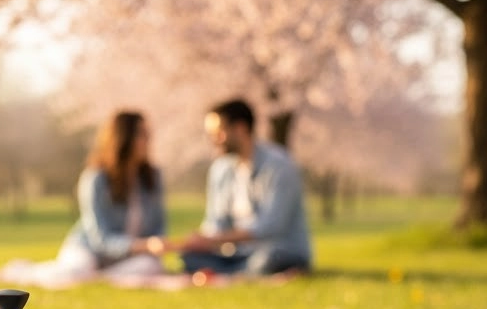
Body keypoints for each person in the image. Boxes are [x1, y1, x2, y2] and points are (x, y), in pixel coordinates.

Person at [153, 98, 312, 277]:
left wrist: (216, 239)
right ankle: (239, 273)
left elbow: (271, 226)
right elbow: (216, 223)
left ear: (240, 128)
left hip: (276, 250)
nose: (214, 140)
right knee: (191, 258)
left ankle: (234, 272)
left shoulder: (279, 166)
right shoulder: (221, 169)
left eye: (218, 133)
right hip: (237, 253)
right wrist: (199, 241)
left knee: (266, 261)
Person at [52, 110, 167, 279]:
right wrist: (141, 246)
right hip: (89, 250)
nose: (148, 140)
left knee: (150, 266)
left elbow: (158, 227)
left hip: (127, 258)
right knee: (77, 271)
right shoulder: (96, 178)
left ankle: (100, 278)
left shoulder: (153, 177)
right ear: (124, 138)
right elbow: (99, 239)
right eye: (142, 134)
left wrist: (155, 245)